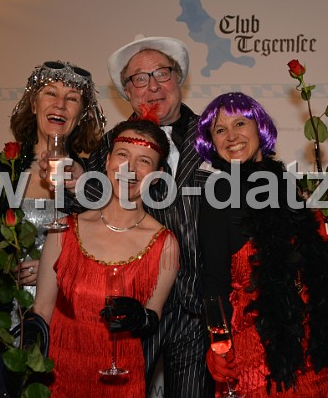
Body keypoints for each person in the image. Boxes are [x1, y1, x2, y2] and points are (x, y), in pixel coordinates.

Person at [44, 35, 213, 397]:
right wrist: (73, 186)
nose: (152, 86)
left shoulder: (213, 136)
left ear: (179, 77)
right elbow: (83, 212)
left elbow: (253, 184)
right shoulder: (110, 143)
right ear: (126, 92)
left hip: (195, 305)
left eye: (162, 73)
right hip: (132, 301)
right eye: (139, 79)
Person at [195, 92, 328, 398]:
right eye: (220, 130)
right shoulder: (218, 193)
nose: (231, 136)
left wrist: (321, 233)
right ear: (212, 142)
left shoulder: (285, 183)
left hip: (310, 339)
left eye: (240, 123)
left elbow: (300, 262)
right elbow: (214, 281)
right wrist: (217, 344)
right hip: (259, 348)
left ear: (259, 128)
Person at [0, 60, 104, 368]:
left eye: (72, 98)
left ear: (81, 115)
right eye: (51, 93)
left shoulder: (91, 177)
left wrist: (55, 270)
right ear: (34, 105)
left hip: (63, 315)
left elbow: (100, 255)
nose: (60, 104)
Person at [33, 118, 179, 397]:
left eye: (144, 161)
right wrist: (28, 367)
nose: (129, 169)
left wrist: (141, 318)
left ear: (158, 175)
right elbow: (41, 311)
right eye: (123, 155)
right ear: (108, 161)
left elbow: (153, 316)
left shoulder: (165, 244)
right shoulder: (64, 230)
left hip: (121, 382)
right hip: (58, 377)